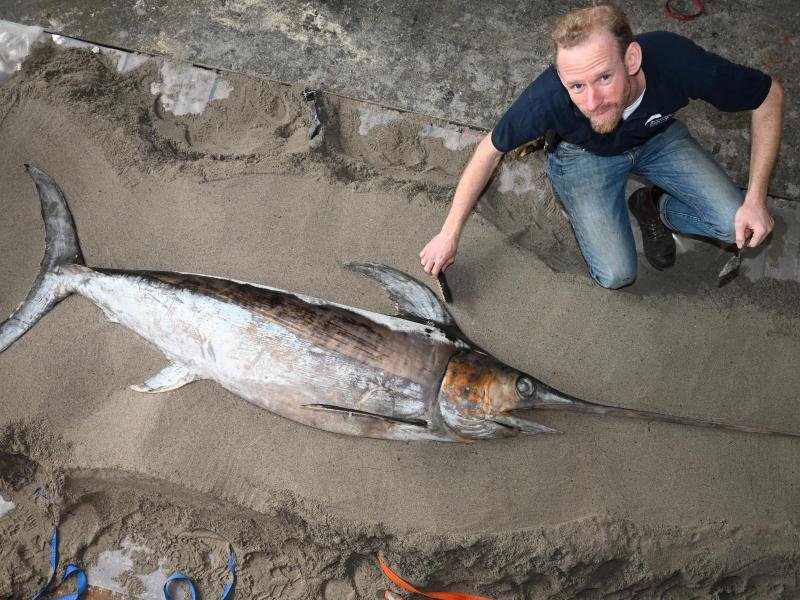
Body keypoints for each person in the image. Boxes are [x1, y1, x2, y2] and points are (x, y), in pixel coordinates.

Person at [419, 2, 784, 289]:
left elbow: (768, 95)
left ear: (632, 59)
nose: (591, 101)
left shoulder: (677, 61)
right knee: (616, 275)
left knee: (735, 224)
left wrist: (755, 198)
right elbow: (490, 149)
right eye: (576, 86)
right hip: (585, 156)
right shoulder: (548, 98)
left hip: (656, 138)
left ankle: (654, 206)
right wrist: (448, 234)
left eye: (604, 77)